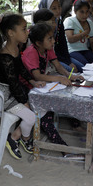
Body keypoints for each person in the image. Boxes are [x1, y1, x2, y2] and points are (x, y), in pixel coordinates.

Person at [22, 22, 85, 154]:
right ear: (38, 43)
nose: (53, 41)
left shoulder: (48, 49)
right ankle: (61, 146)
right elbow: (37, 75)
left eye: (52, 37)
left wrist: (71, 76)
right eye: (49, 38)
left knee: (69, 90)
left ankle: (74, 123)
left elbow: (58, 66)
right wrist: (59, 78)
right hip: (28, 87)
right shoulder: (31, 53)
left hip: (42, 85)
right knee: (45, 113)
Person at [0, 13, 45, 159]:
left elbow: (20, 69)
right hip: (1, 95)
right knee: (31, 117)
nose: (28, 32)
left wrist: (32, 82)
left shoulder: (14, 48)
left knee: (39, 105)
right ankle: (14, 139)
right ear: (11, 33)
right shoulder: (5, 57)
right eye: (24, 29)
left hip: (11, 91)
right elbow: (13, 84)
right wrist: (24, 102)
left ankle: (20, 136)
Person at [37, 0, 81, 72]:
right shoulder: (39, 29)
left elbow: (63, 44)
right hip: (50, 60)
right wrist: (67, 63)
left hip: (60, 56)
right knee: (71, 71)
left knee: (81, 66)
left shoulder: (59, 22)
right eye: (54, 8)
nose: (58, 10)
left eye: (59, 7)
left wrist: (68, 61)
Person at [64, 0, 93, 65]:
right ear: (75, 11)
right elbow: (70, 39)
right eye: (81, 12)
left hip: (85, 50)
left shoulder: (90, 23)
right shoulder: (69, 20)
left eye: (87, 12)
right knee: (85, 64)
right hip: (72, 50)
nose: (85, 15)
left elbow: (92, 41)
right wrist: (85, 32)